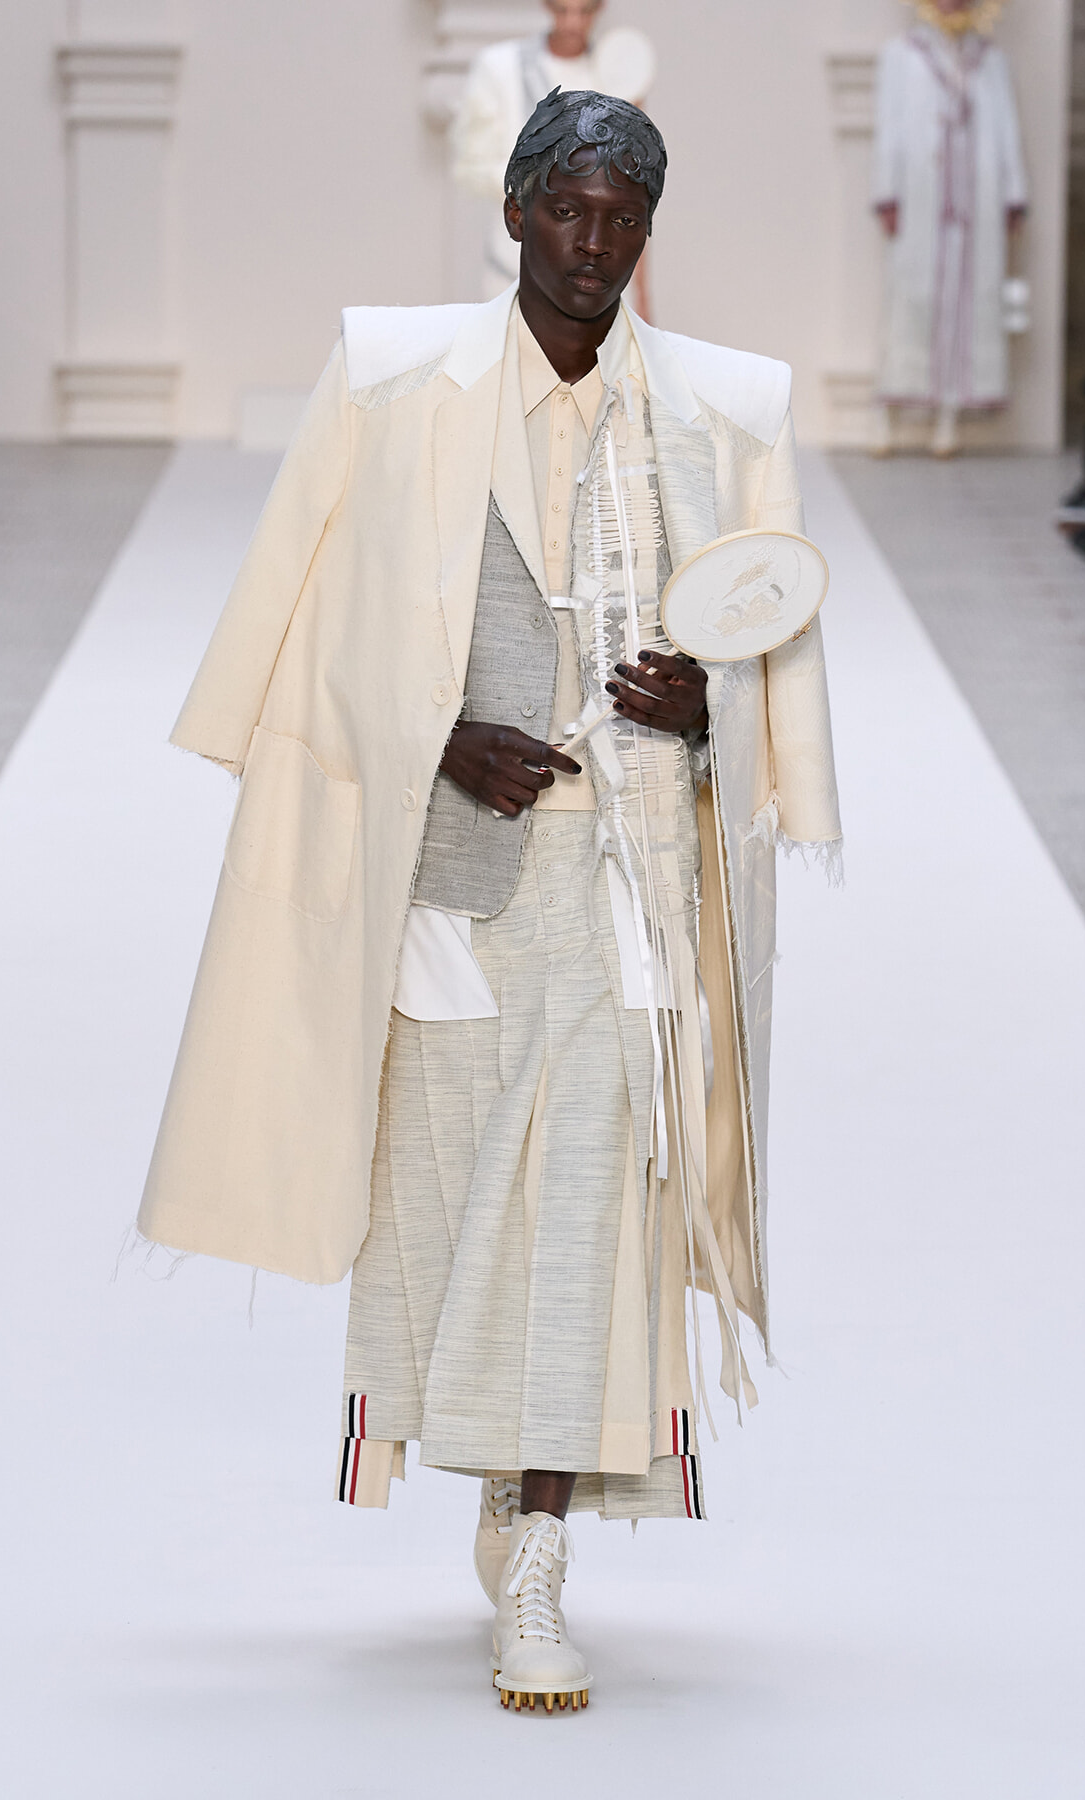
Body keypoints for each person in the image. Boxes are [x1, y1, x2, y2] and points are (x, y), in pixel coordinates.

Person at [138, 88, 841, 1713]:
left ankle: (540, 1554)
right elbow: (302, 623)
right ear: (517, 210)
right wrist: (437, 732)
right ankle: (494, 1478)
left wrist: (710, 713)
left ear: (648, 234)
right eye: (572, 211)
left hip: (638, 875)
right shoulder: (395, 384)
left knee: (593, 1205)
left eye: (626, 220)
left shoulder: (725, 407)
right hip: (455, 881)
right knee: (456, 1202)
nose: (596, 246)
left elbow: (772, 633)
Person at [871, 0, 1028, 458]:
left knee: (972, 299)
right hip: (921, 196)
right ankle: (889, 409)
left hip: (976, 199)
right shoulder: (902, 54)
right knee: (910, 296)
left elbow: (1006, 128)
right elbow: (890, 127)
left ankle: (950, 412)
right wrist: (887, 191)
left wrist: (1014, 192)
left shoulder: (991, 60)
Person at [452, 1, 654, 304]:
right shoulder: (500, 68)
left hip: (597, 271)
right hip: (515, 264)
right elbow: (472, 165)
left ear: (599, 9)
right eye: (563, 10)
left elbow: (633, 198)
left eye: (584, 11)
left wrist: (641, 297)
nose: (573, 23)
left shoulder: (616, 76)